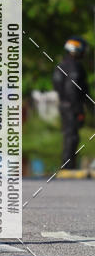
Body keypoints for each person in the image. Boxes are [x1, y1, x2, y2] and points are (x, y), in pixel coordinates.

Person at [53, 37, 91, 170]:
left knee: (69, 135)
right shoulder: (74, 66)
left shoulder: (62, 64)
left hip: (64, 105)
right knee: (72, 137)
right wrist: (78, 109)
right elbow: (72, 88)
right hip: (72, 107)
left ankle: (68, 165)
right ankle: (68, 167)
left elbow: (58, 86)